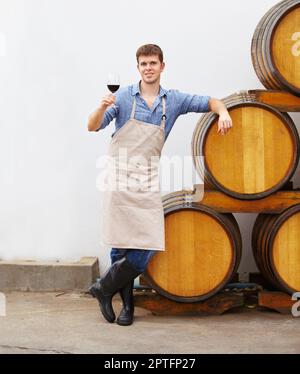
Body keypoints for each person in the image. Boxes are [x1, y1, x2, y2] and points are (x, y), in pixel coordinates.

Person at [87, 44, 233, 326]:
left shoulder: (174, 100)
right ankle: (126, 308)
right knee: (120, 246)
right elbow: (92, 126)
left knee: (145, 247)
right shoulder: (122, 98)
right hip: (118, 176)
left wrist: (224, 111)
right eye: (143, 63)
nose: (148, 68)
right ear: (138, 67)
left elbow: (210, 101)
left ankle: (102, 288)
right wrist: (101, 106)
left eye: (153, 63)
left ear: (162, 66)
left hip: (147, 179)